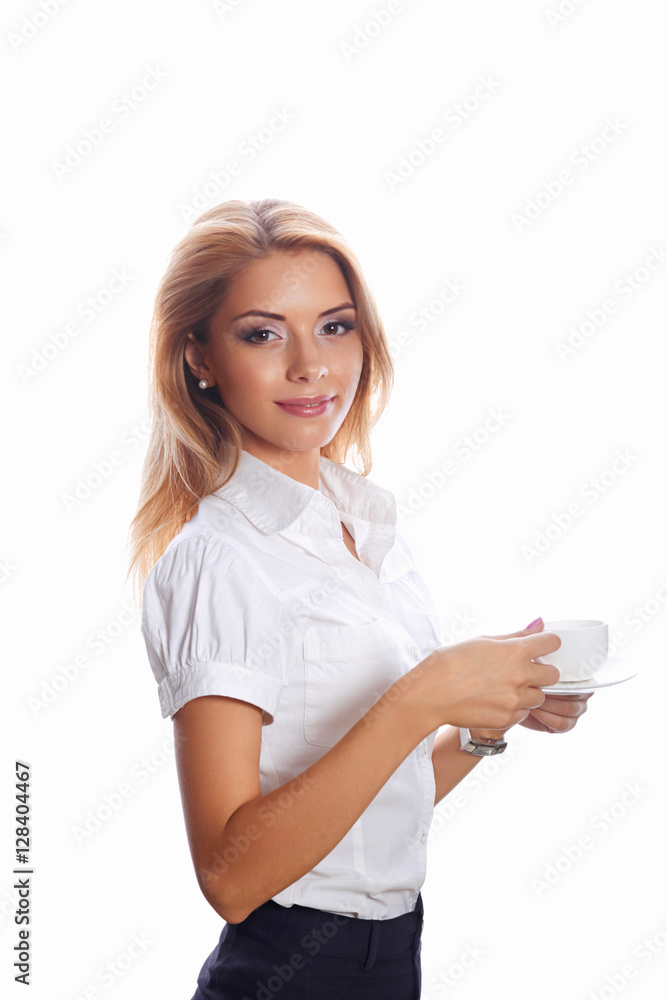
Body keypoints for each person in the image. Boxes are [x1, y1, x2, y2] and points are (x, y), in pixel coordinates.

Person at [126, 198, 593, 999]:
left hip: (393, 955)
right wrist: (420, 698)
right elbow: (231, 878)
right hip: (291, 967)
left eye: (335, 327)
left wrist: (484, 723)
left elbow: (366, 810)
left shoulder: (366, 532)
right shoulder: (219, 561)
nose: (311, 366)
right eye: (262, 334)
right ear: (199, 356)